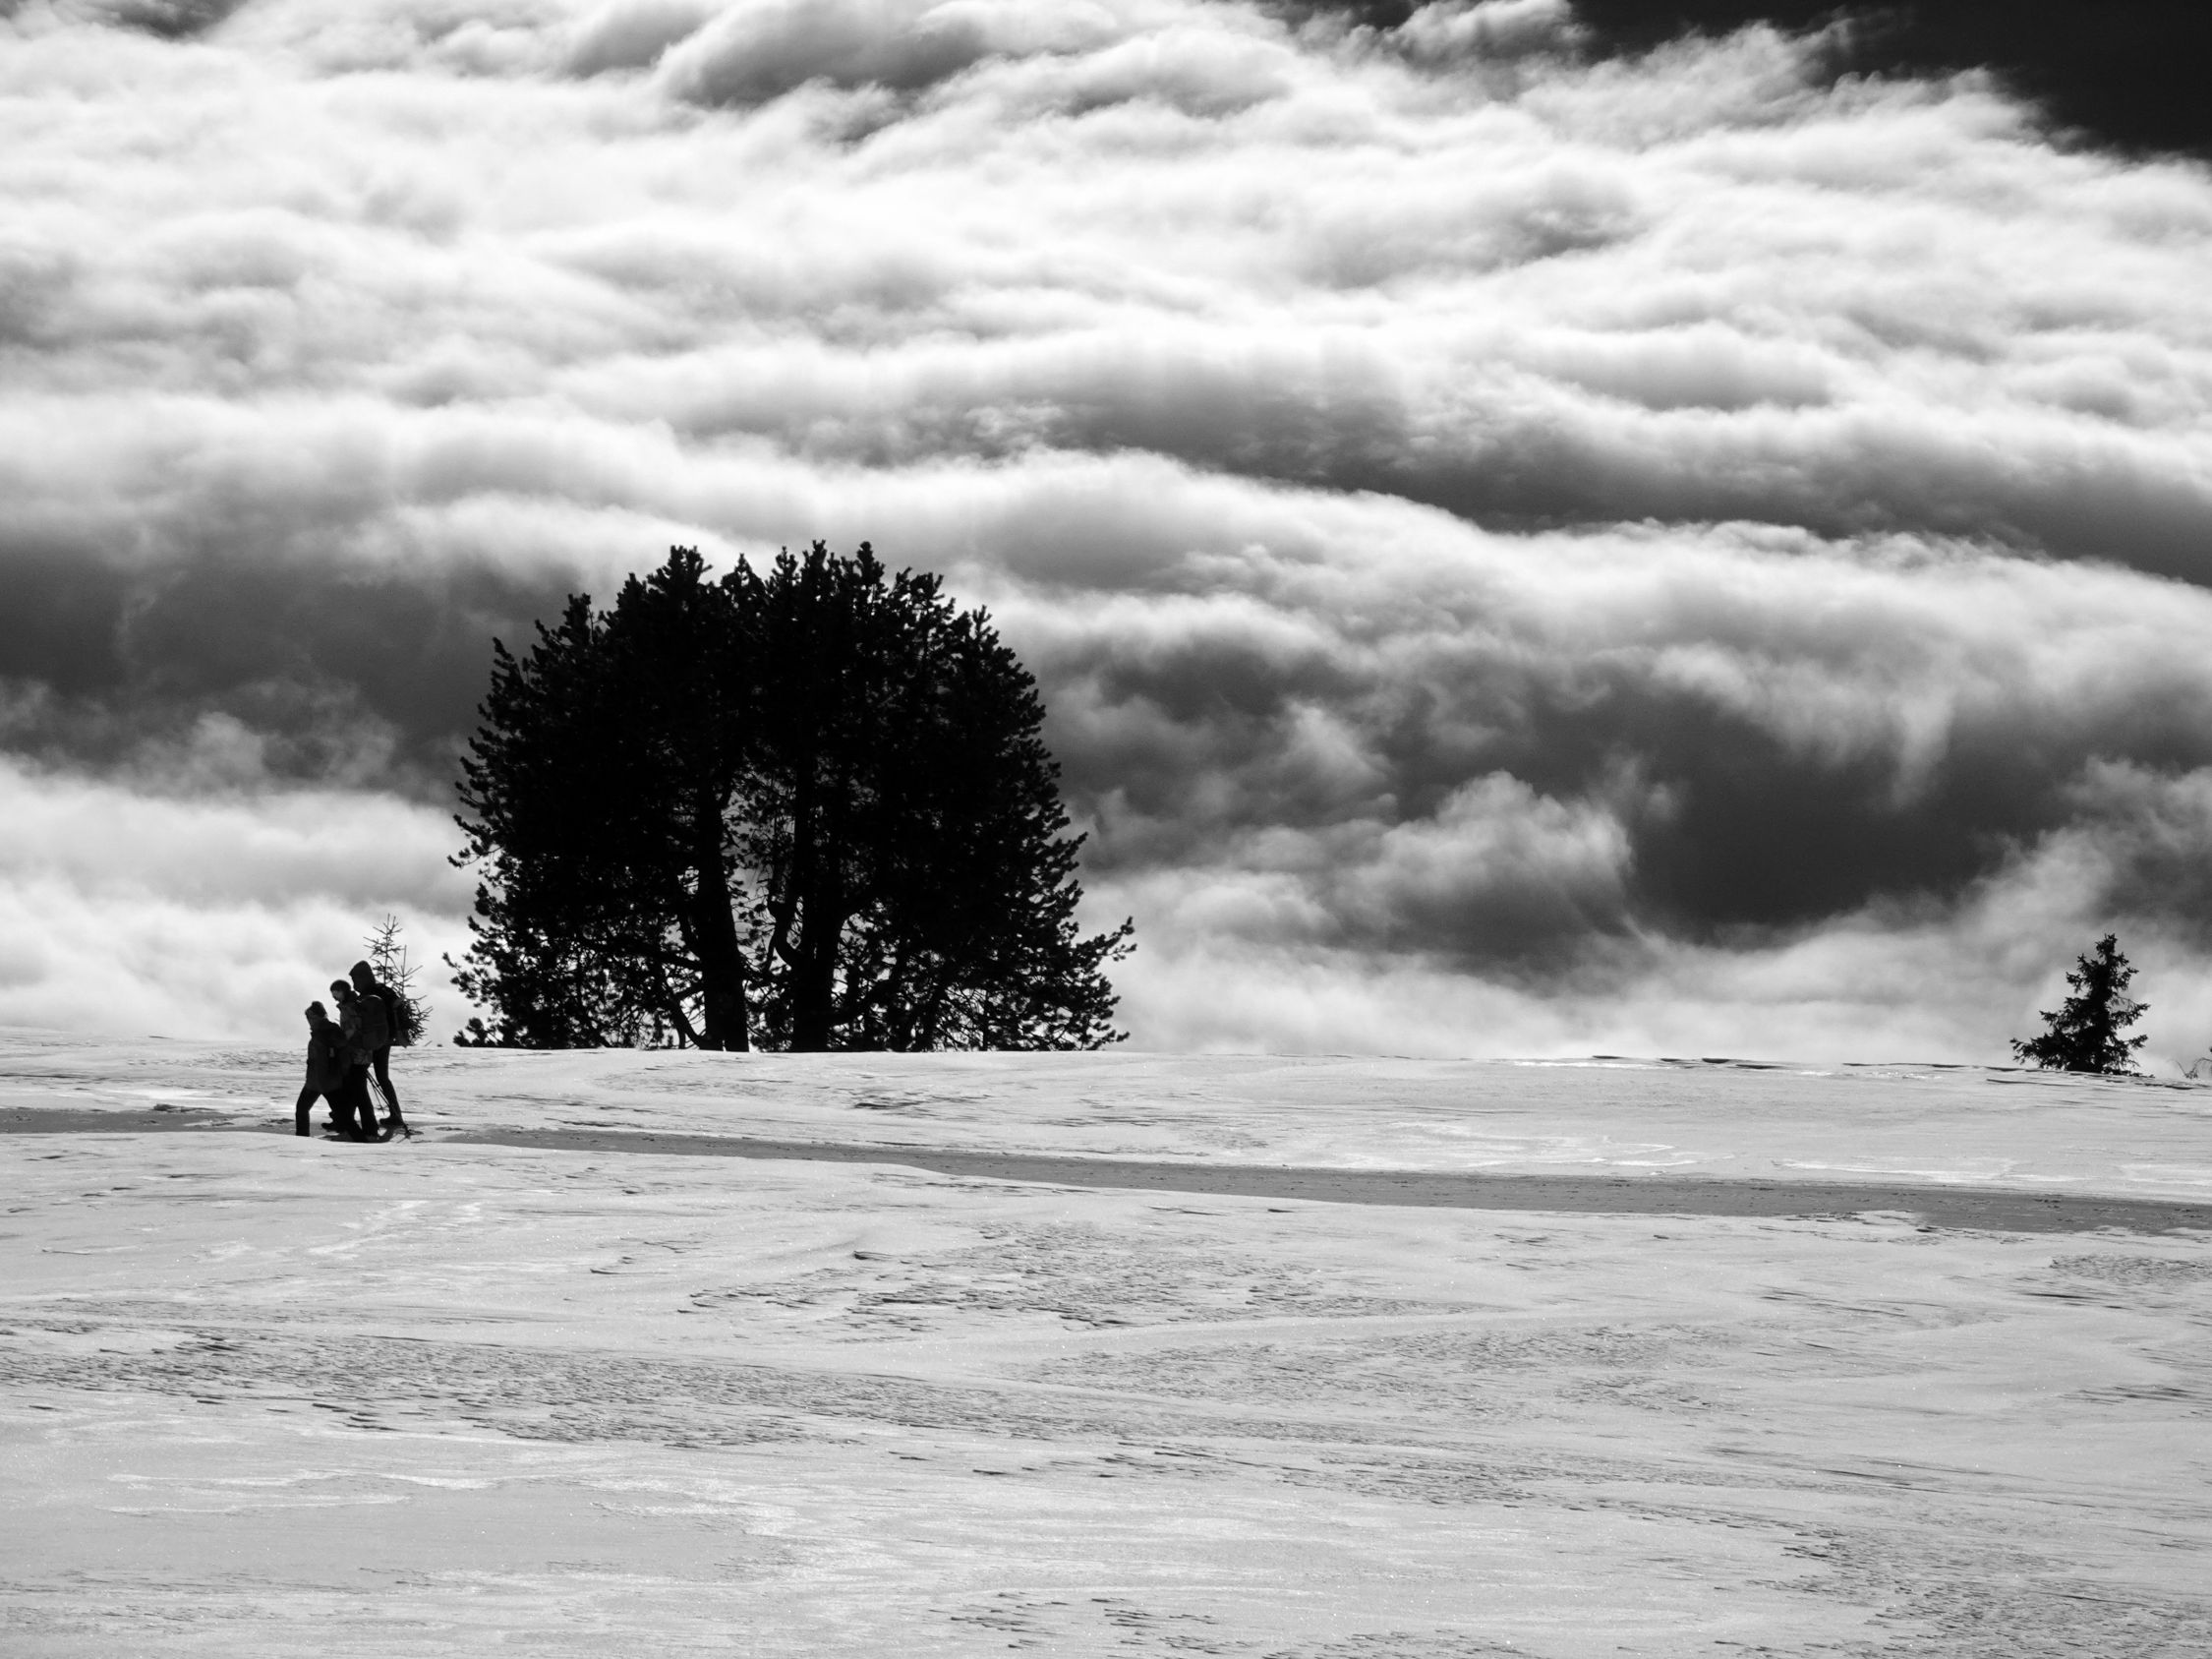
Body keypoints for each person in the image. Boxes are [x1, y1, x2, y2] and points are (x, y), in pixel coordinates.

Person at [348, 959, 412, 1140]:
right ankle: (396, 1114)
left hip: (372, 1041)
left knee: (357, 1076)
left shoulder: (368, 995)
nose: (354, 984)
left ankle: (347, 1117)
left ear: (363, 978)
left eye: (355, 980)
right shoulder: (384, 991)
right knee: (382, 1077)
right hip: (386, 1039)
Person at [329, 979, 382, 1142]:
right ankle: (348, 1125)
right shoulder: (356, 1003)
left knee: (359, 1094)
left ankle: (369, 1130)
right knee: (354, 1093)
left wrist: (340, 1044)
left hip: (356, 1056)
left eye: (335, 992)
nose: (333, 996)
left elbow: (351, 1030)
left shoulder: (349, 1007)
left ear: (342, 991)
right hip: (362, 1054)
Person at [294, 1001, 346, 1138]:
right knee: (340, 1111)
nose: (308, 1021)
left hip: (320, 1081)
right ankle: (349, 1134)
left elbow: (319, 1061)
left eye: (310, 1017)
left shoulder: (322, 1034)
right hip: (330, 1079)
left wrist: (319, 1082)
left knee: (302, 1109)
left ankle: (302, 1137)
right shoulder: (329, 1030)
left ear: (316, 1017)